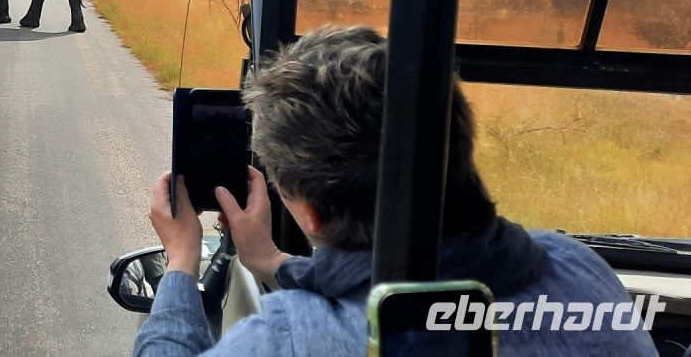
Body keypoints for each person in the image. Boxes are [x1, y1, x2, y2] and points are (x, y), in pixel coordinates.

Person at [134, 25, 657, 356]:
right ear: (459, 147)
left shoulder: (288, 336)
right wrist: (270, 261)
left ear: (311, 215)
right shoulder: (578, 267)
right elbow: (394, 277)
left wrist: (181, 260)